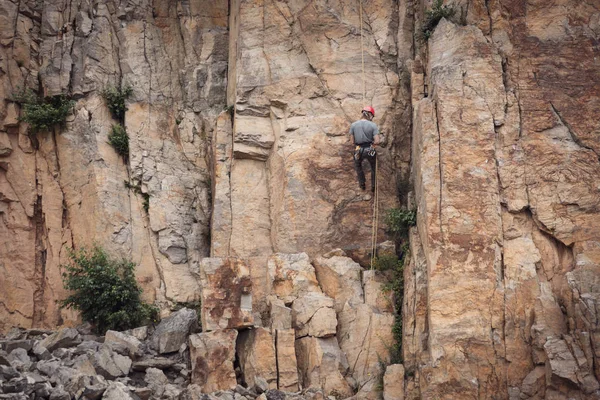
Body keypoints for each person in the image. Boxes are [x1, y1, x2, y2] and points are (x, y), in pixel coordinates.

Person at [349, 106, 381, 192]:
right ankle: (373, 186)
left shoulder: (353, 125)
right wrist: (373, 145)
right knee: (373, 166)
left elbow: (352, 141)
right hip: (369, 148)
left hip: (358, 149)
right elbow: (377, 141)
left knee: (358, 165)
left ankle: (362, 184)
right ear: (370, 115)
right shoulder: (373, 125)